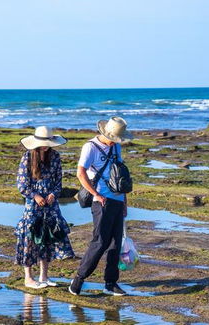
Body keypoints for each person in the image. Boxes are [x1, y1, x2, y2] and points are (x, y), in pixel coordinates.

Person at [69, 116, 132, 296]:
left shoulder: (116, 147)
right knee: (100, 242)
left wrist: (125, 201)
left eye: (117, 140)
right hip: (101, 200)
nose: (115, 143)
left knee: (115, 243)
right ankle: (79, 279)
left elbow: (120, 174)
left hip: (117, 200)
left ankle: (110, 283)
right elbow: (80, 173)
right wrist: (96, 194)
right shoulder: (90, 147)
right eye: (113, 139)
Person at [16, 126, 75, 289]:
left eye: (48, 143)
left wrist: (53, 195)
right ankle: (28, 278)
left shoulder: (55, 156)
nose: (45, 146)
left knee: (48, 238)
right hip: (32, 205)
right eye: (43, 143)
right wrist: (35, 195)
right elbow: (21, 184)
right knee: (30, 237)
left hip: (51, 205)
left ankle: (44, 276)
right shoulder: (27, 157)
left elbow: (58, 181)